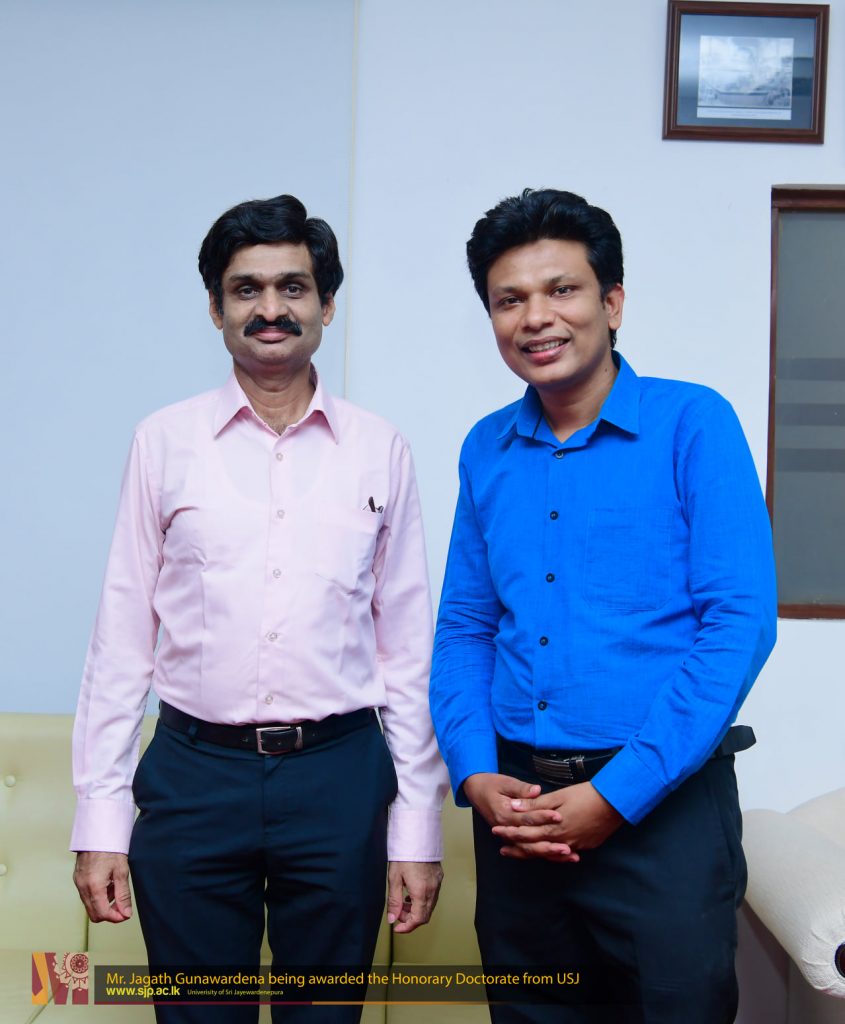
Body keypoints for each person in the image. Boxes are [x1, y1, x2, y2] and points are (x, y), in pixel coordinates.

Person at [71, 194, 448, 1023]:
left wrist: (416, 827)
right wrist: (99, 818)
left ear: (327, 305)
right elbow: (122, 637)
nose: (270, 308)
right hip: (194, 777)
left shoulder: (379, 448)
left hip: (340, 778)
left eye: (292, 287)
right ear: (215, 308)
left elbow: (407, 650)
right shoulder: (163, 442)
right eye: (246, 289)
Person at [429, 188, 777, 1024]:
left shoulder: (692, 423)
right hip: (518, 817)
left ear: (611, 302)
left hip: (663, 812)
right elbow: (466, 626)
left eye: (562, 290)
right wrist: (473, 770)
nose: (535, 318)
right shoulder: (486, 447)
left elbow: (738, 624)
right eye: (509, 300)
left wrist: (616, 794)